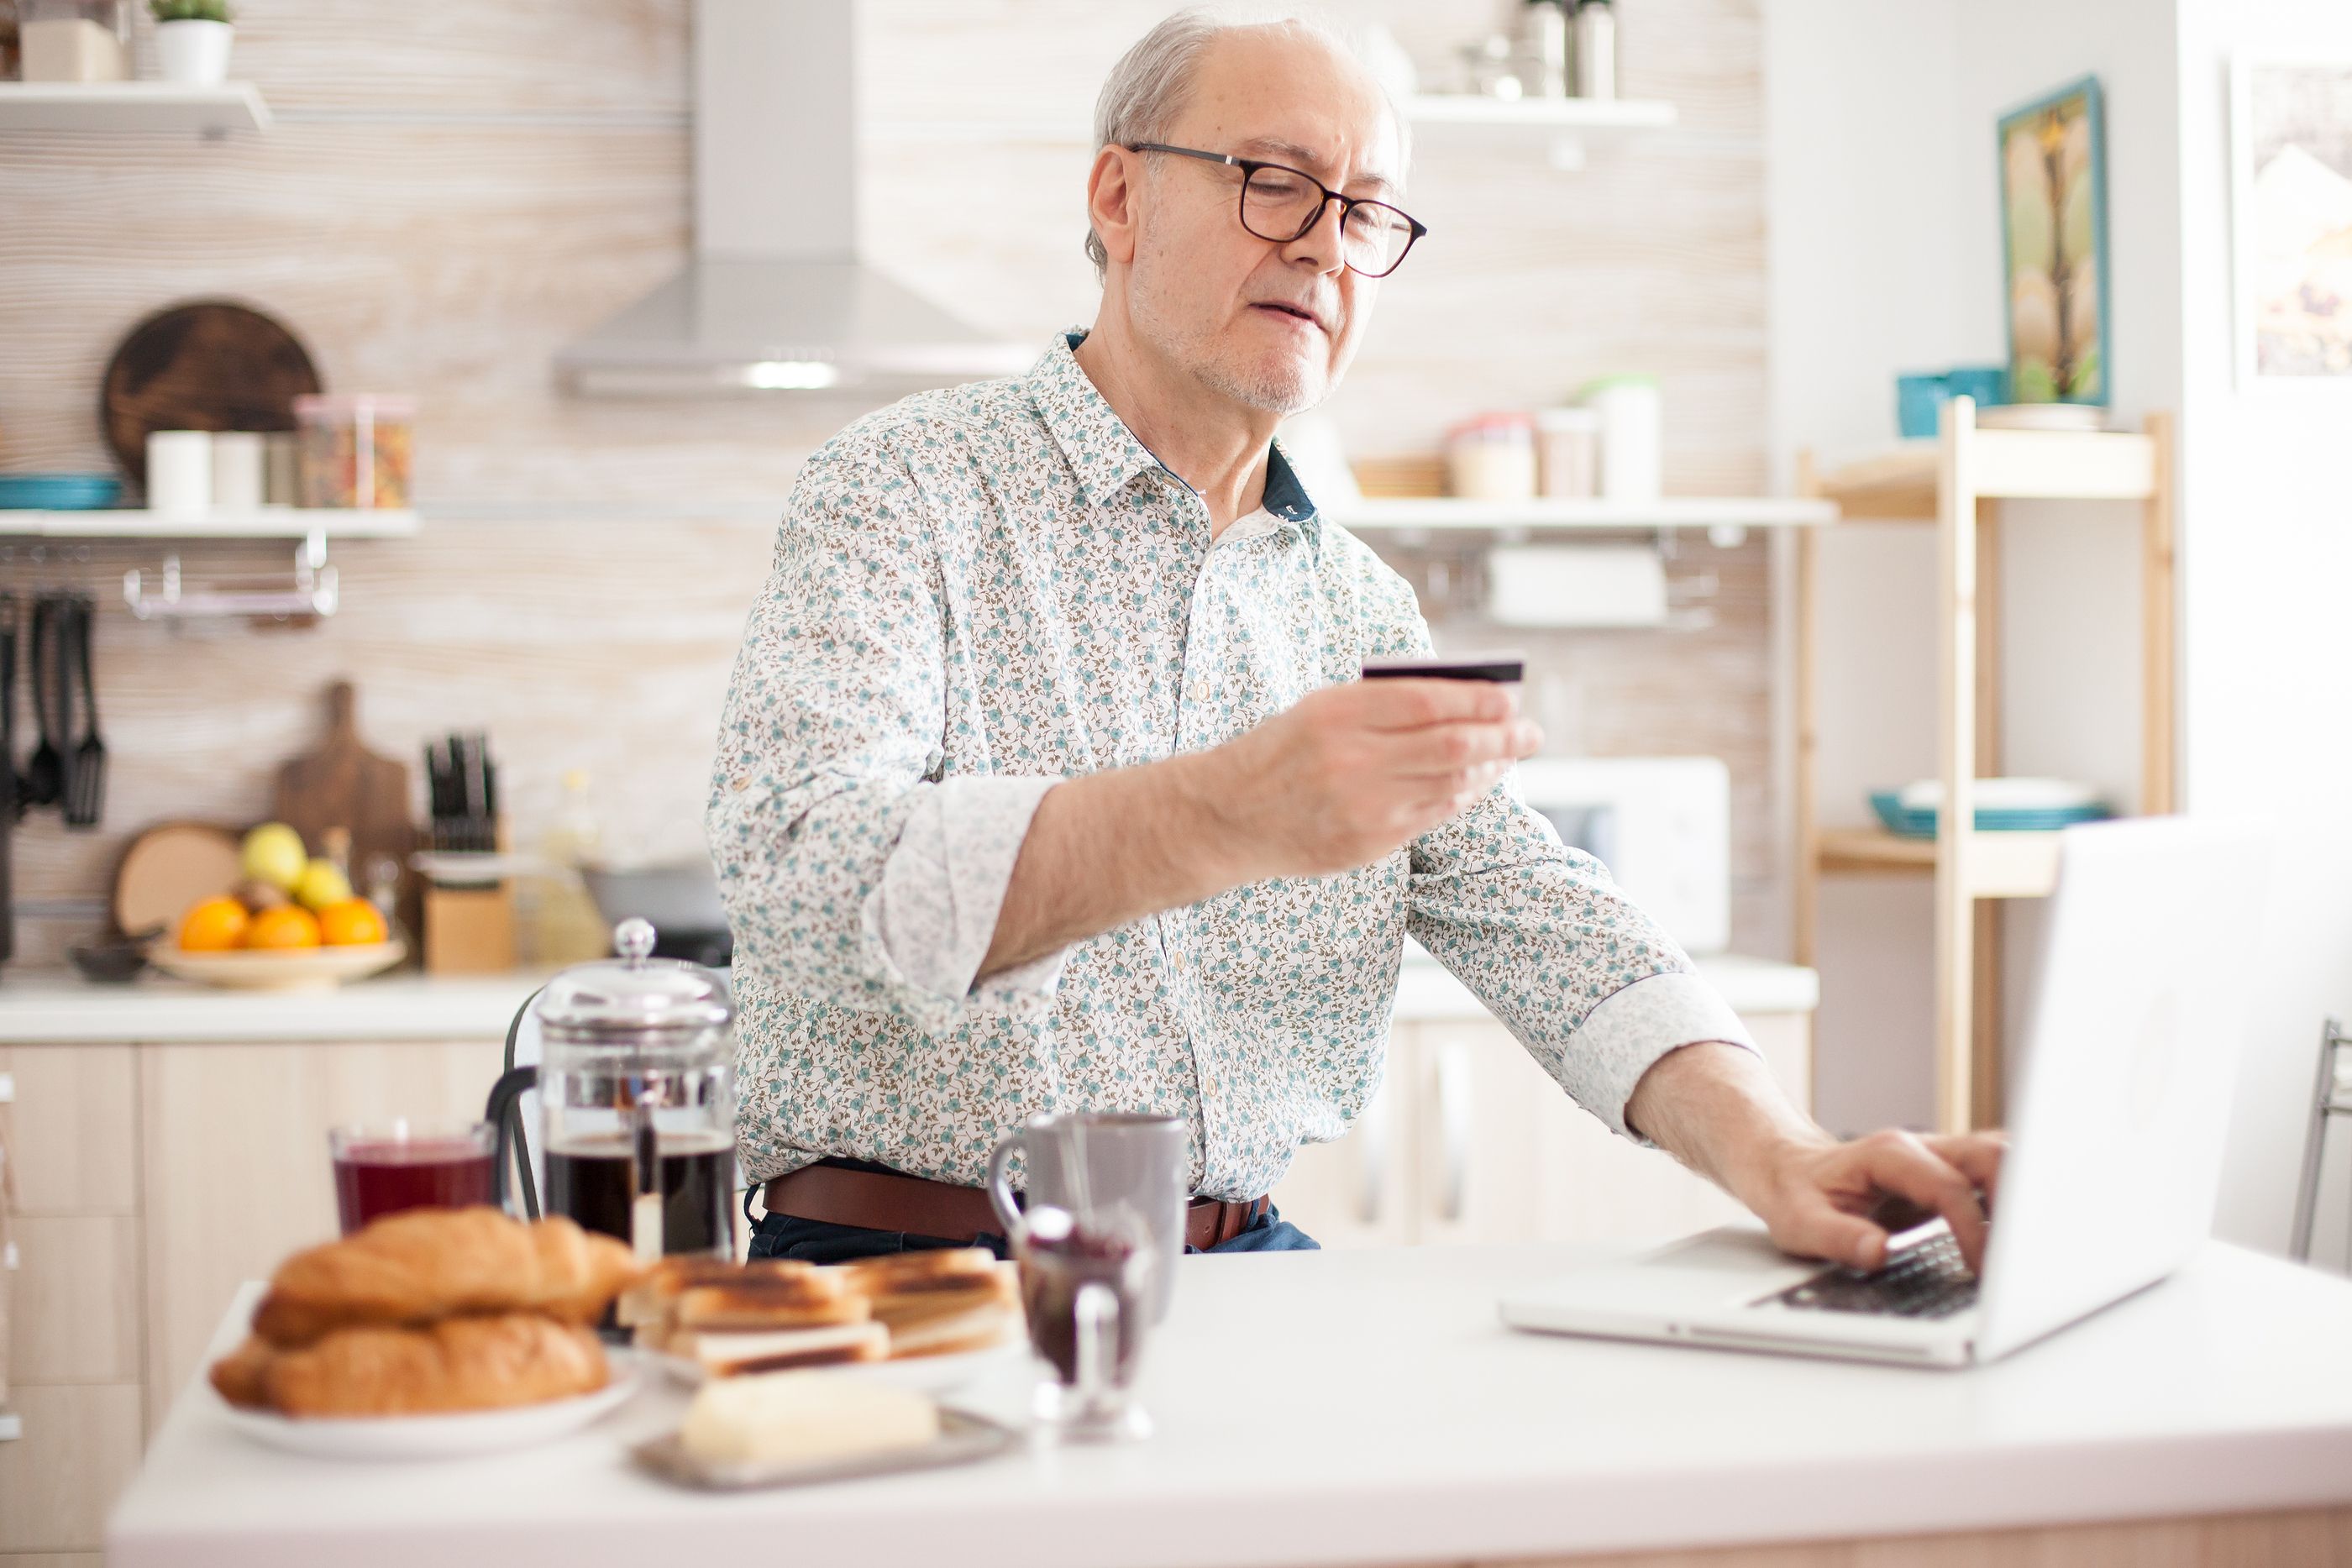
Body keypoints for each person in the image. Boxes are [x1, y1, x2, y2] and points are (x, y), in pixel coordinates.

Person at [706, 5, 2003, 1268]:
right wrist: (1217, 814)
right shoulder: (903, 487)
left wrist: (1782, 1153)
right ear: (1119, 199)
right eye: (1277, 183)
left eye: (1367, 211)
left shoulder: (1360, 604)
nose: (1328, 248)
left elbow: (1539, 911)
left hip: (1242, 1257)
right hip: (895, 1269)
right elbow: (797, 880)